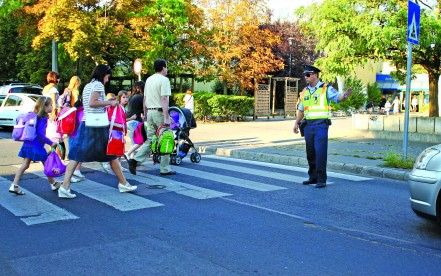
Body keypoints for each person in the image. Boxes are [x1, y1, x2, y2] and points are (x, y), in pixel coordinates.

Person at [59, 64, 137, 199]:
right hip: (94, 124)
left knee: (83, 155)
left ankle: (123, 183)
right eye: (107, 76)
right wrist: (109, 103)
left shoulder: (89, 85)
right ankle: (65, 187)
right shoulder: (98, 85)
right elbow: (92, 103)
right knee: (106, 153)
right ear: (103, 75)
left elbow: (88, 103)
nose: (107, 80)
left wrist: (106, 101)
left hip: (87, 123)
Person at [293, 65, 352, 188]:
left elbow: (338, 97)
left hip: (321, 125)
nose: (306, 77)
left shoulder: (326, 89)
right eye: (305, 75)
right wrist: (296, 123)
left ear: (315, 75)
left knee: (320, 152)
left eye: (308, 75)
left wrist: (345, 96)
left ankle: (321, 179)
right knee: (310, 153)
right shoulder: (304, 91)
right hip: (308, 125)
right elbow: (301, 109)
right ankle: (312, 177)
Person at [128, 59, 176, 176]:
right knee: (166, 138)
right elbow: (164, 99)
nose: (167, 69)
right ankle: (165, 168)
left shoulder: (148, 80)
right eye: (167, 67)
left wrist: (145, 113)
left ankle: (135, 160)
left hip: (149, 113)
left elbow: (145, 99)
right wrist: (166, 116)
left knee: (150, 140)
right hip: (159, 113)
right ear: (163, 67)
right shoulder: (164, 80)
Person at [8, 97, 61, 195]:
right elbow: (41, 134)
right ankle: (53, 183)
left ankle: (14, 185)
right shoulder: (43, 118)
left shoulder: (34, 116)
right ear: (45, 108)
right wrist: (51, 143)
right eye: (50, 105)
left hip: (28, 144)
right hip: (37, 146)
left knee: (25, 165)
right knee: (46, 165)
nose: (52, 107)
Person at [43, 71, 66, 160]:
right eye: (58, 78)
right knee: (57, 138)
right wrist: (55, 115)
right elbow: (54, 103)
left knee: (51, 136)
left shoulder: (45, 88)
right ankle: (58, 159)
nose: (59, 80)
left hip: (46, 114)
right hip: (52, 115)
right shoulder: (53, 89)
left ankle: (52, 157)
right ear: (55, 78)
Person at [125, 81, 145, 159]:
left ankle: (132, 159)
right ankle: (128, 154)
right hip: (135, 121)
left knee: (133, 142)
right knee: (140, 141)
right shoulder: (141, 97)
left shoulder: (131, 97)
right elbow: (144, 109)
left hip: (129, 121)